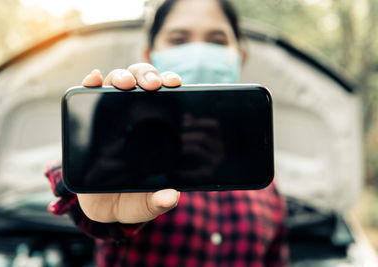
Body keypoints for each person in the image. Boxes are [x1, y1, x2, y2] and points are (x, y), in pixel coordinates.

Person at [45, 0, 289, 266]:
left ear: (239, 56)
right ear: (149, 56)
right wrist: (87, 186)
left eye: (217, 41)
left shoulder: (260, 172)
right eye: (179, 39)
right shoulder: (124, 121)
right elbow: (90, 211)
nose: (198, 52)